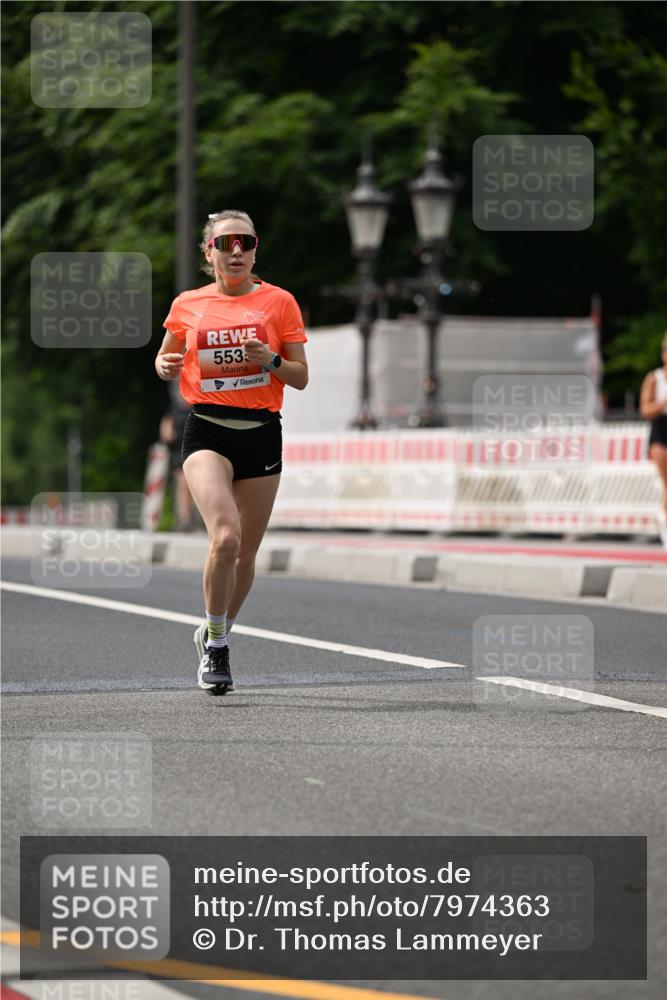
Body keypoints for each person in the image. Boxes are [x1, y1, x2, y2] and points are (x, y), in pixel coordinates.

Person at [155, 210, 308, 691]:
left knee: (246, 555)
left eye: (245, 241)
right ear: (210, 253)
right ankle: (217, 647)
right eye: (226, 243)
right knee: (226, 537)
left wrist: (273, 361)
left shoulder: (279, 302)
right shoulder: (188, 304)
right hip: (207, 431)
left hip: (262, 431)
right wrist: (163, 364)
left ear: (255, 248)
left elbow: (300, 376)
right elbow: (166, 356)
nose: (236, 251)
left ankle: (215, 628)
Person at [639, 332, 667, 548]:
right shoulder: (654, 378)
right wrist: (662, 403)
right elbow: (645, 409)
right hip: (661, 430)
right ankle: (665, 526)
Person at [159, 380, 195, 531]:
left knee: (194, 483)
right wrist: (166, 432)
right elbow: (167, 420)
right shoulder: (176, 405)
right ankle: (185, 520)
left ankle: (197, 519)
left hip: (197, 443)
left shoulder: (199, 404)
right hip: (179, 446)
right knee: (182, 482)